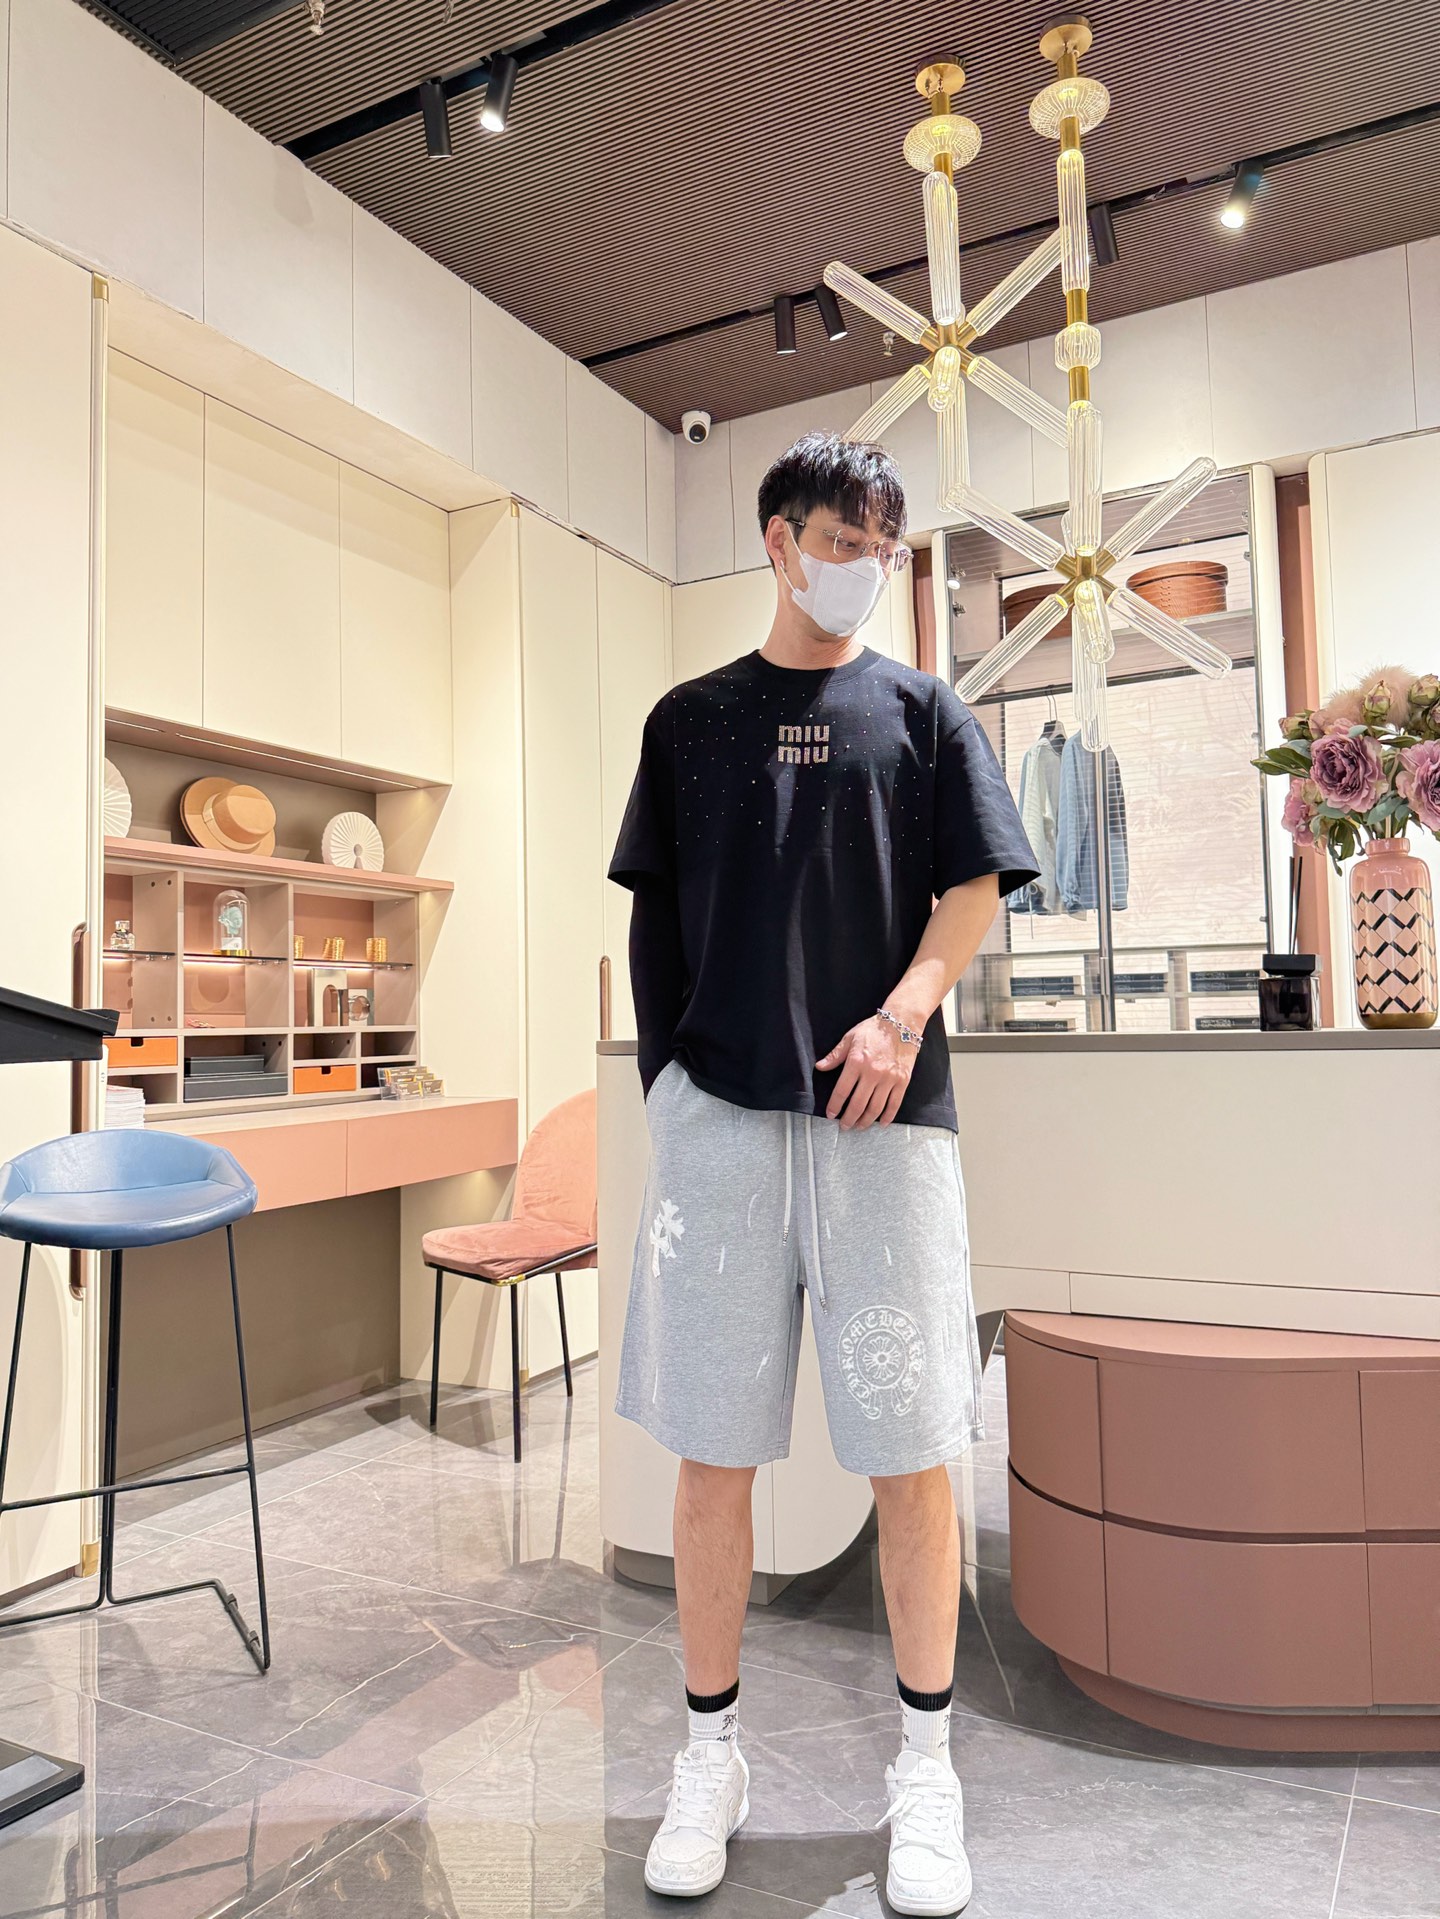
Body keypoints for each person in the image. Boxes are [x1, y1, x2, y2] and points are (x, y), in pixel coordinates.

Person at [605, 431, 1038, 1916]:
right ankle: (708, 1757)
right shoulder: (689, 720)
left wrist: (905, 1013)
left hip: (885, 1124)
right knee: (711, 1449)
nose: (866, 568)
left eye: (885, 547)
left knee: (913, 1448)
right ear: (779, 542)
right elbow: (655, 919)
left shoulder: (924, 713)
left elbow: (973, 887)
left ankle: (926, 1768)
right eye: (844, 540)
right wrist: (672, 1094)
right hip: (719, 1125)